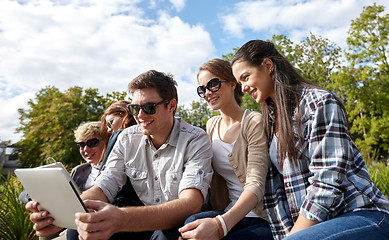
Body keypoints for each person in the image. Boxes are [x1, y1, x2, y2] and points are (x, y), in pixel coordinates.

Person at [230, 39, 389, 240]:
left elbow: (327, 182)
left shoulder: (318, 103)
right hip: (319, 226)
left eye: (245, 77)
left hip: (362, 213)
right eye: (239, 82)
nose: (243, 88)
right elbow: (276, 197)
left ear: (268, 66)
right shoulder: (270, 122)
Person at [27, 70, 213, 240]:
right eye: (134, 108)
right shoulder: (127, 138)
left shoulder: (195, 140)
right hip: (142, 221)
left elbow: (191, 203)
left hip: (180, 223)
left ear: (171, 105)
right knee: (79, 229)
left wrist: (122, 218)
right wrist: (59, 214)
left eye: (148, 108)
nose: (140, 115)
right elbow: (104, 186)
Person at [178, 58, 272, 240]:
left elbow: (256, 182)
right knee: (190, 224)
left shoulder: (253, 121)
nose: (207, 93)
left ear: (231, 83)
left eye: (212, 84)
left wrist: (220, 225)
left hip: (259, 217)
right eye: (202, 89)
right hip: (225, 211)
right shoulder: (211, 125)